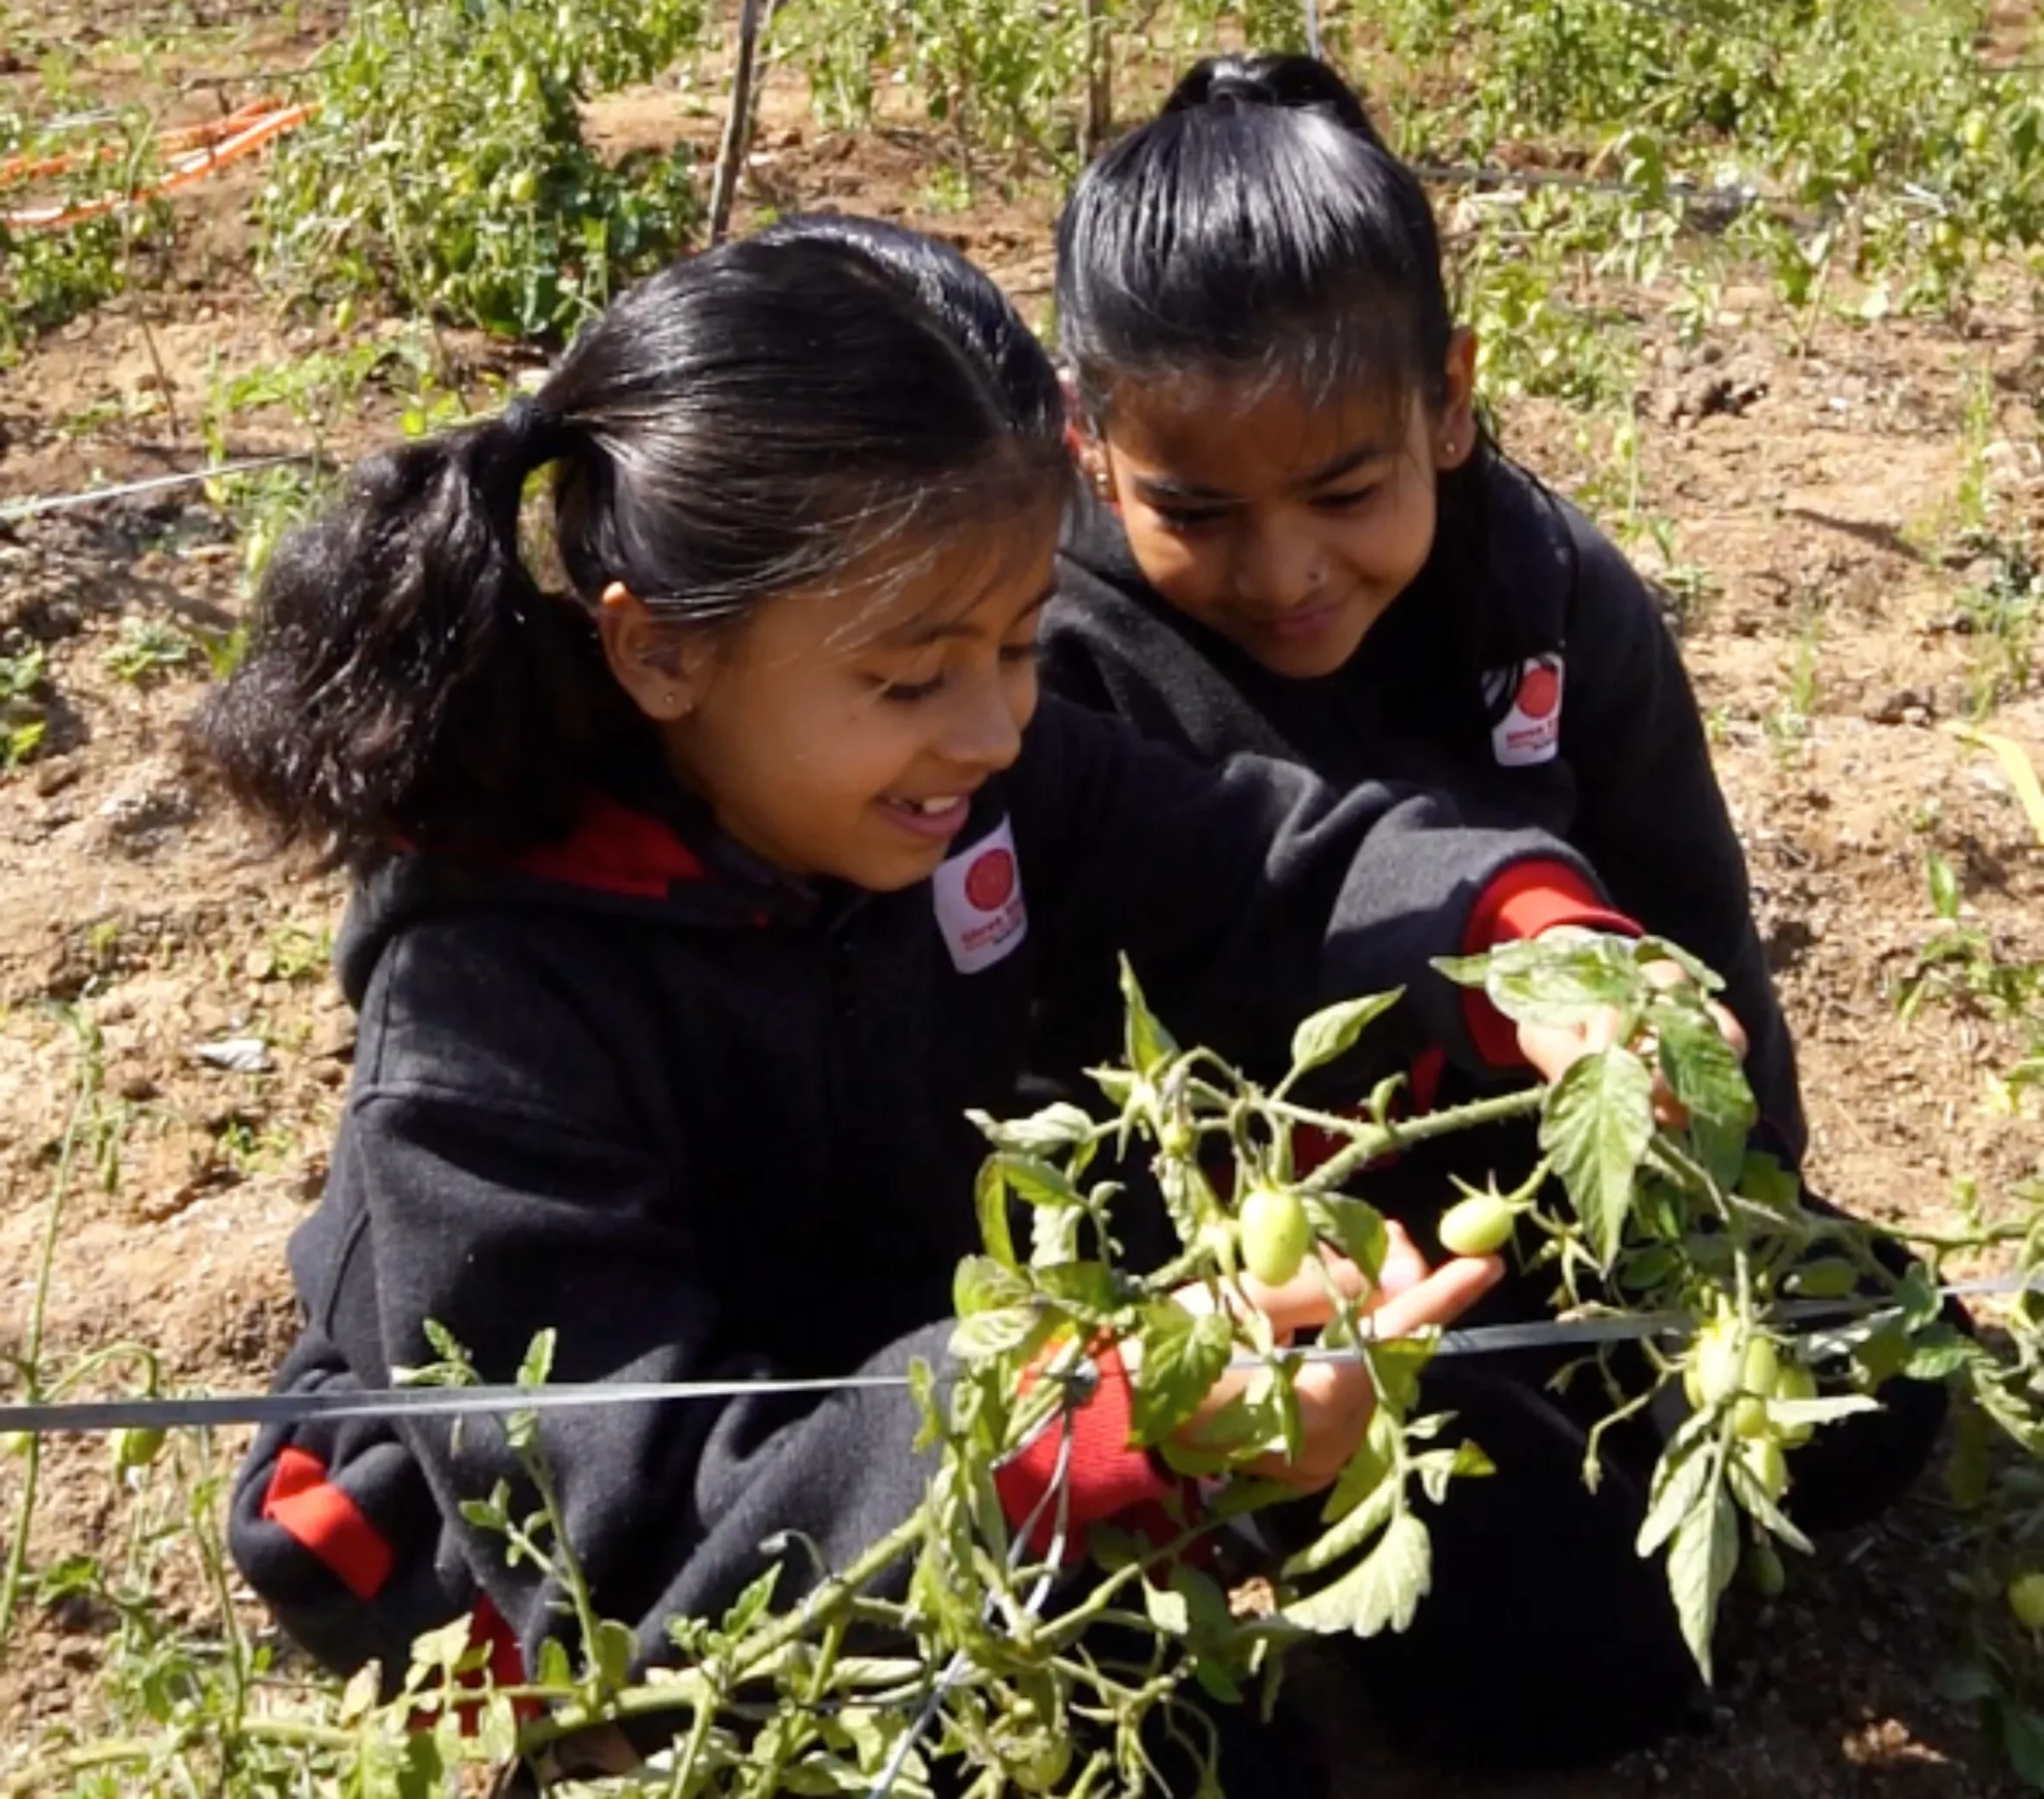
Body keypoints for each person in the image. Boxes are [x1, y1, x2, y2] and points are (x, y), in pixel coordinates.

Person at [202, 217, 1712, 1779]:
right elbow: (623, 1533)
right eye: (916, 676)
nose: (996, 726)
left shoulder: (961, 780)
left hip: (928, 1371)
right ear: (660, 657)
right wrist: (1081, 1429)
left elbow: (1255, 863)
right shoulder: (487, 1015)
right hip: (636, 1537)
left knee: (1576, 1649)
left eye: (1016, 643)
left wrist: (1521, 941)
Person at [1045, 50, 1804, 1160]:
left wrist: (1759, 1217)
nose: (1281, 571)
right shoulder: (1040, 653)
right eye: (1197, 513)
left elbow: (1697, 939)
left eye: (1344, 493)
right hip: (1227, 1275)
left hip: (1540, 1225)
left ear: (1447, 398)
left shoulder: (1544, 595)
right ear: (1089, 444)